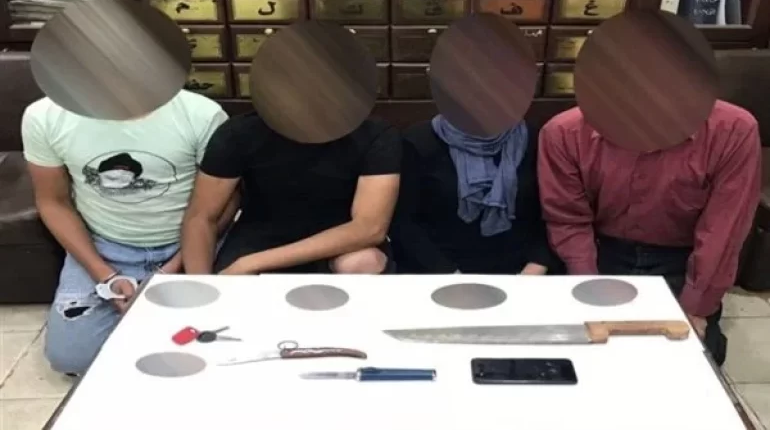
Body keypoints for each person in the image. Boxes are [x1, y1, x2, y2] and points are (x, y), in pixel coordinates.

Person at [22, 90, 237, 375]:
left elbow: (225, 202)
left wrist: (172, 268)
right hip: (104, 245)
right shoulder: (45, 115)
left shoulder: (201, 113)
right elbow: (53, 202)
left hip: (192, 243)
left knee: (216, 341)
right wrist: (106, 276)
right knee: (71, 358)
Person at [537, 100, 761, 366]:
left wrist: (695, 309)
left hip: (683, 258)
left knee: (689, 361)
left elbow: (724, 231)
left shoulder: (734, 129)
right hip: (601, 250)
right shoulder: (564, 131)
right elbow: (569, 219)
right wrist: (588, 291)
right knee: (577, 359)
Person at [180, 112, 401, 275]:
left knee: (363, 263)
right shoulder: (239, 131)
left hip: (340, 239)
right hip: (260, 233)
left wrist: (251, 263)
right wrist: (202, 287)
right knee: (233, 284)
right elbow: (201, 216)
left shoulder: (374, 134)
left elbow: (369, 228)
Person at [390, 115, 561, 274]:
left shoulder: (535, 138)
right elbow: (404, 224)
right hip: (438, 273)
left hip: (524, 273)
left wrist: (536, 266)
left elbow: (554, 213)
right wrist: (451, 276)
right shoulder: (419, 140)